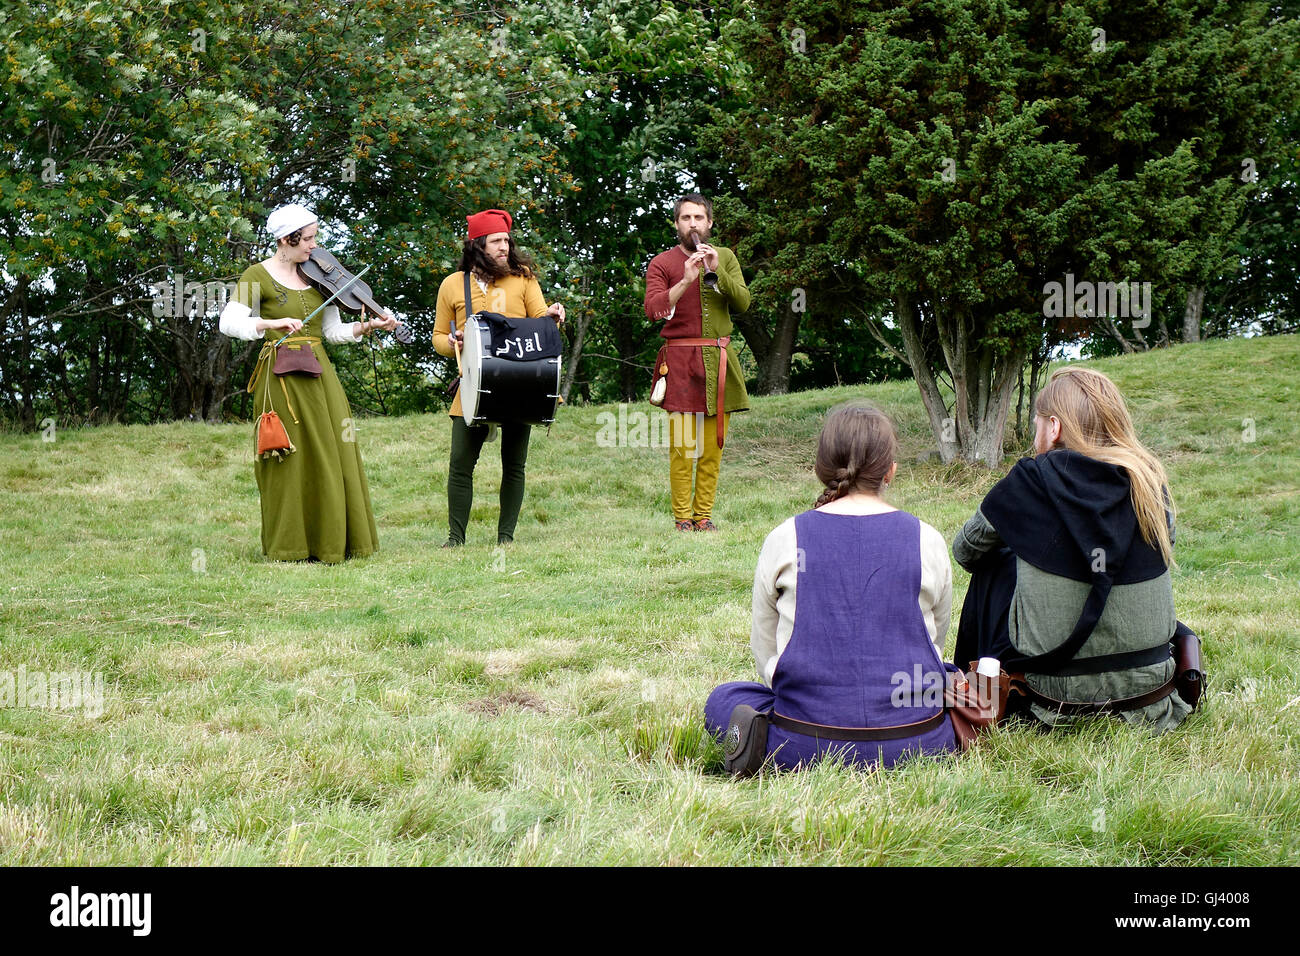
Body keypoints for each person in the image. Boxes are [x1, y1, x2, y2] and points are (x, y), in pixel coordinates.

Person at [704, 402, 958, 771]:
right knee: (951, 675)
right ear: (891, 471)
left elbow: (767, 657)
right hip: (920, 742)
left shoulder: (785, 537)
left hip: (798, 745)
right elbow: (933, 645)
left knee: (725, 698)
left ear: (820, 469)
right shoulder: (928, 539)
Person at [951, 366, 1192, 732]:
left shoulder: (1028, 482)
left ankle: (981, 692)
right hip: (1151, 694)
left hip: (1052, 697)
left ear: (1054, 427)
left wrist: (1029, 542)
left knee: (995, 563)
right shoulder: (1148, 481)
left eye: (1037, 424)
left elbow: (966, 551)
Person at [219, 203, 397, 562]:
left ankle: (333, 543)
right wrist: (271, 324)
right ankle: (291, 546)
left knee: (332, 454)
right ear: (286, 238)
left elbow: (332, 332)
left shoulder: (318, 274)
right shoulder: (257, 275)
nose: (315, 246)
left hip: (320, 375)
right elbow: (228, 322)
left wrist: (369, 326)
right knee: (288, 457)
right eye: (309, 239)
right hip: (280, 378)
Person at [433, 208, 565, 547]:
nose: (504, 246)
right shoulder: (452, 284)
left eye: (506, 240)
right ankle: (455, 539)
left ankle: (506, 538)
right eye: (496, 241)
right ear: (477, 244)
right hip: (472, 386)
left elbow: (539, 319)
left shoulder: (524, 278)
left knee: (514, 465)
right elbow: (437, 337)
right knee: (460, 465)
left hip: (519, 383)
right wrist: (451, 343)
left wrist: (552, 314)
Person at [644, 193, 750, 533]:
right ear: (676, 224)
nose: (693, 224)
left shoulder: (726, 257)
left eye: (699, 218)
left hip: (719, 361)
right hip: (679, 362)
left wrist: (717, 270)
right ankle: (682, 520)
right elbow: (654, 310)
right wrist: (687, 280)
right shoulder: (662, 263)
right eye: (686, 218)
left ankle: (703, 516)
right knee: (682, 448)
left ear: (710, 223)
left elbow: (744, 303)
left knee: (712, 447)